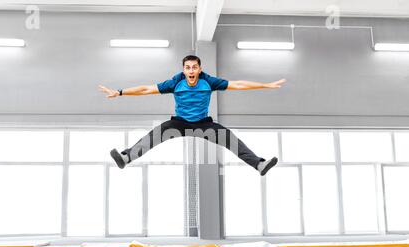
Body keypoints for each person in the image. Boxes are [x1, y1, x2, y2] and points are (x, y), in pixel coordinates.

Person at [99, 55, 285, 175]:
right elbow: (146, 89)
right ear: (184, 70)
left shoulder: (208, 81)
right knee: (155, 134)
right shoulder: (175, 82)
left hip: (203, 124)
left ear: (199, 69)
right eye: (187, 68)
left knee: (229, 138)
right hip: (179, 123)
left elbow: (238, 84)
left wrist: (265, 85)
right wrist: (120, 92)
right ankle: (126, 158)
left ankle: (259, 164)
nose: (191, 71)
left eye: (194, 67)